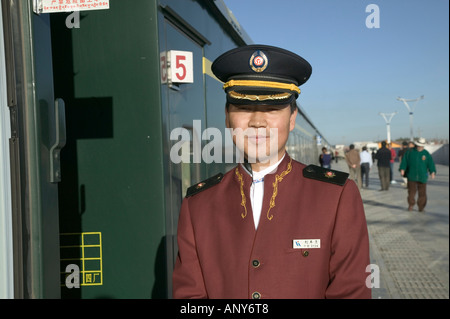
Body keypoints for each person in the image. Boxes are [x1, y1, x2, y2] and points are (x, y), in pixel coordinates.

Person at [172, 45, 371, 299]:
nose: (257, 121)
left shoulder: (337, 197)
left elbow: (352, 293)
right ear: (227, 117)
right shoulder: (197, 205)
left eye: (272, 108)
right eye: (243, 107)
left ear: (291, 118)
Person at [400, 138, 436, 212]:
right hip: (411, 175)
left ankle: (421, 207)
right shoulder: (410, 152)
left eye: (422, 146)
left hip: (422, 176)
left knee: (422, 193)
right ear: (416, 145)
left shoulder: (426, 153)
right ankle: (411, 205)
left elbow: (431, 163)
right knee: (411, 192)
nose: (420, 147)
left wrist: (432, 172)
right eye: (419, 145)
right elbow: (404, 161)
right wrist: (402, 169)